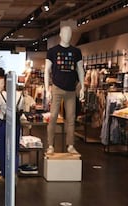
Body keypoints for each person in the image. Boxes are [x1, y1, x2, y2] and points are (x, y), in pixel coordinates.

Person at [44, 25, 85, 154]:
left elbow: (80, 70)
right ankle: (50, 145)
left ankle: (70, 145)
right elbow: (46, 70)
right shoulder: (52, 51)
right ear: (60, 35)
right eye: (65, 33)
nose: (67, 36)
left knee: (71, 118)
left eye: (69, 33)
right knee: (53, 116)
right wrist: (46, 89)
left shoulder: (76, 51)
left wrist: (83, 87)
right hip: (56, 87)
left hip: (71, 89)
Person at [0, 75, 24, 181]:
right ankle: (14, 172)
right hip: (16, 124)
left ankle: (4, 173)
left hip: (3, 123)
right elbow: (21, 110)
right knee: (14, 149)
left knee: (3, 149)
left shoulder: (0, 95)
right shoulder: (19, 95)